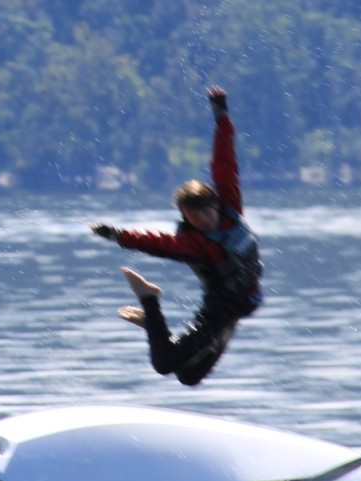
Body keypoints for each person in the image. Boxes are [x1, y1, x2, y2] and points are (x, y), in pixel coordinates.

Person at [90, 86, 262, 386]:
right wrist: (117, 235)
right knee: (165, 364)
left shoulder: (230, 207)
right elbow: (157, 243)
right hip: (219, 312)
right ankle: (149, 299)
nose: (204, 220)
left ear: (216, 205)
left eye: (207, 212)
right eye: (195, 217)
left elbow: (225, 164)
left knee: (189, 375)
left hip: (239, 309)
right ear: (186, 218)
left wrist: (221, 116)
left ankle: (153, 328)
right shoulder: (194, 244)